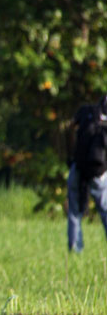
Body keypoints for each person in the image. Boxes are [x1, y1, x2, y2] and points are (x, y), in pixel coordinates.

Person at [67, 95, 107, 252]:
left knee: (74, 211)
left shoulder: (85, 111)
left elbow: (71, 129)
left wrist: (71, 156)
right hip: (100, 171)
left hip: (78, 167)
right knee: (104, 210)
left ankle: (75, 248)